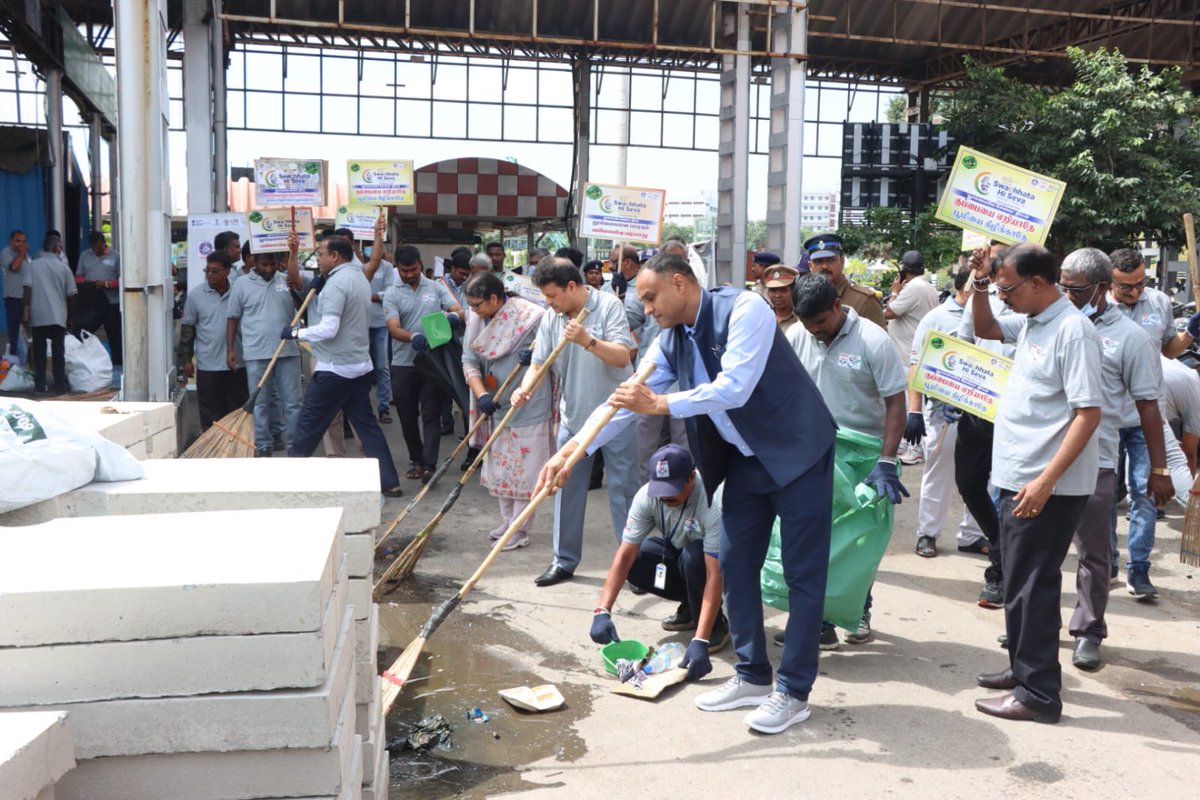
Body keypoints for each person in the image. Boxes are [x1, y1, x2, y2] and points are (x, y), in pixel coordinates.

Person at [537, 252, 837, 735]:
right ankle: (753, 676)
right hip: (744, 462)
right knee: (734, 565)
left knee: (804, 577)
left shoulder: (746, 310)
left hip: (798, 451)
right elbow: (626, 400)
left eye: (652, 297)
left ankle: (794, 691)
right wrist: (571, 451)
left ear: (680, 283)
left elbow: (734, 387)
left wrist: (662, 402)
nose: (648, 308)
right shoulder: (670, 339)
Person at [969, 242, 1102, 724]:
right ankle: (1022, 669)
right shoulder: (1031, 322)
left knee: (1033, 586)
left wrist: (1046, 481)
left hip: (1043, 486)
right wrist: (982, 283)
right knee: (1019, 582)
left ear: (1039, 283)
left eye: (1008, 288)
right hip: (1016, 477)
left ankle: (1039, 694)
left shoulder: (1072, 331)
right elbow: (982, 327)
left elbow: (1088, 414)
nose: (1003, 297)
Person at [1058, 248, 1172, 670]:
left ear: (1102, 289)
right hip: (1044, 459)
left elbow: (1148, 406)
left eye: (1076, 289)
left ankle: (1088, 631)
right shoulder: (1048, 322)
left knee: (1094, 553)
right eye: (1062, 287)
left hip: (1097, 457)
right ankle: (1033, 624)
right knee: (1042, 552)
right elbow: (988, 329)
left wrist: (1159, 469)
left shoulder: (1131, 337)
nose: (1066, 295)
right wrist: (980, 283)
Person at [787, 273, 908, 646]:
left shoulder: (873, 340)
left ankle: (858, 609)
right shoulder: (796, 337)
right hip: (813, 451)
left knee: (857, 540)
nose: (815, 332)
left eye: (821, 323)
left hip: (865, 454)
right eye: (808, 325)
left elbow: (895, 403)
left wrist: (886, 460)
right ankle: (820, 620)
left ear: (838, 307)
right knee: (814, 538)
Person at [510, 257, 639, 588]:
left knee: (624, 493)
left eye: (552, 296)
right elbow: (539, 362)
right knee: (565, 489)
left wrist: (587, 340)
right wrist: (523, 390)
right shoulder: (552, 318)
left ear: (572, 286)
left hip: (617, 413)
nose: (549, 303)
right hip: (574, 418)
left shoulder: (608, 305)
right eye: (545, 298)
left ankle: (634, 565)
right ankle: (563, 560)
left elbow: (624, 356)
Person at [588, 444, 730, 682]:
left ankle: (715, 625)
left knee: (694, 558)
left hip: (715, 560)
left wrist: (701, 640)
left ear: (691, 477)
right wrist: (602, 610)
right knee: (639, 558)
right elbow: (624, 555)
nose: (665, 497)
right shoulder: (647, 496)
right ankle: (689, 606)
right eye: (660, 489)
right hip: (679, 550)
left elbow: (714, 573)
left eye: (672, 489)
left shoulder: (710, 502)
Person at [283, 235, 403, 497]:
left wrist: (295, 334)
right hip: (359, 366)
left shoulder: (338, 284)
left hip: (335, 369)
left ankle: (287, 481)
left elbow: (329, 328)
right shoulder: (359, 276)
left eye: (322, 255)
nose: (319, 259)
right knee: (367, 427)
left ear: (335, 256)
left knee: (307, 426)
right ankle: (390, 482)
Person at [1106, 248, 1196, 596]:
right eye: (1127, 287)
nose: (1135, 292)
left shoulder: (1157, 302)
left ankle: (1139, 570)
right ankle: (1108, 562)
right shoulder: (1097, 308)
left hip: (1149, 415)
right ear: (1109, 281)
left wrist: (1190, 334)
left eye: (1141, 284)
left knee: (1146, 494)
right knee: (1105, 494)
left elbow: (1169, 349)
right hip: (1108, 415)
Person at [461, 271, 550, 550]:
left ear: (495, 298)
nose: (473, 311)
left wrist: (536, 356)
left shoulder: (531, 316)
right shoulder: (476, 318)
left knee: (525, 469)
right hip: (495, 403)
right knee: (501, 466)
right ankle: (507, 520)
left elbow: (553, 351)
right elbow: (469, 359)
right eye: (471, 306)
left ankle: (520, 529)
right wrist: (482, 394)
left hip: (529, 403)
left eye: (478, 305)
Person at [904, 266, 988, 560]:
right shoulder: (936, 318)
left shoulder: (995, 317)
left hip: (984, 412)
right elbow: (916, 364)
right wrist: (914, 410)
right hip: (943, 413)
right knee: (938, 472)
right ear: (966, 287)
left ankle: (973, 535)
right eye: (982, 285)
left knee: (982, 475)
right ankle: (927, 533)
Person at [955, 241, 1019, 608]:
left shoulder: (1028, 301)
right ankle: (1000, 544)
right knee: (969, 484)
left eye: (999, 258)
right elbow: (964, 341)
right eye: (990, 258)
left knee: (1011, 493)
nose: (992, 263)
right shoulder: (982, 295)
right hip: (977, 407)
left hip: (1016, 414)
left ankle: (999, 571)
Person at [382, 244, 464, 483]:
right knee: (407, 417)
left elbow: (459, 309)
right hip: (403, 364)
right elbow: (393, 328)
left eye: (414, 269)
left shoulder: (436, 287)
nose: (409, 274)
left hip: (432, 363)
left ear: (420, 265)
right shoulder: (391, 293)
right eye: (404, 270)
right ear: (397, 267)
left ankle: (429, 465)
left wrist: (453, 316)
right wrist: (412, 337)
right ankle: (415, 460)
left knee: (431, 414)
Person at [226, 248, 301, 457]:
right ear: (253, 262)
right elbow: (232, 318)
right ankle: (263, 444)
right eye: (263, 265)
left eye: (272, 264)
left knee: (293, 402)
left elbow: (303, 306)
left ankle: (296, 446)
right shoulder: (241, 284)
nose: (268, 269)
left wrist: (293, 287)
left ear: (279, 262)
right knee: (260, 402)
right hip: (256, 353)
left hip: (287, 351)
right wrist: (230, 349)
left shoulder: (287, 281)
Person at [177, 251, 247, 430]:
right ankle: (210, 450)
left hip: (236, 362)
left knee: (237, 409)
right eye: (207, 270)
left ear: (227, 271)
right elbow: (188, 329)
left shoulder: (239, 292)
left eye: (215, 271)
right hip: (208, 364)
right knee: (209, 411)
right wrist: (185, 360)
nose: (210, 275)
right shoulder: (196, 295)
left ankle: (235, 450)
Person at [20, 234, 76, 394]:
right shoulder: (64, 267)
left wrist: (25, 313)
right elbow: (71, 295)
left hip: (38, 316)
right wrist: (71, 318)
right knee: (59, 352)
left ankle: (40, 385)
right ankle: (59, 386)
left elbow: (27, 290)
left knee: (39, 352)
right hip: (59, 316)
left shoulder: (32, 265)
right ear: (56, 249)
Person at [803, 233, 887, 329]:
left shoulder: (864, 300)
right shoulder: (805, 299)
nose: (824, 266)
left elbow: (880, 341)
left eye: (830, 260)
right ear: (810, 266)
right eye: (818, 261)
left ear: (842, 262)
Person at [76, 232, 122, 366]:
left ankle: (117, 364)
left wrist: (106, 283)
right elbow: (78, 276)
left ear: (103, 243)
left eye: (99, 247)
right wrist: (86, 281)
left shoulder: (115, 256)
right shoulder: (85, 255)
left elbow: (123, 279)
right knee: (84, 332)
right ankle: (85, 362)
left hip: (112, 302)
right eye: (93, 248)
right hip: (92, 302)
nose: (96, 250)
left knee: (114, 335)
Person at [885, 250, 941, 360]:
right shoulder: (930, 288)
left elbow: (889, 313)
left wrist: (894, 292)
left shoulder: (913, 288)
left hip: (906, 354)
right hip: (921, 352)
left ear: (903, 270)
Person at [2, 229, 30, 355]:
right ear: (11, 241)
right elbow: (14, 267)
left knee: (25, 330)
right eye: (18, 241)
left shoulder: (26, 256)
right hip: (14, 297)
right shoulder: (6, 253)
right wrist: (23, 252)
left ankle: (26, 360)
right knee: (15, 332)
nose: (21, 244)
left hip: (26, 297)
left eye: (23, 241)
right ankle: (14, 361)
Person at [764, 265, 801, 331]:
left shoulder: (801, 319)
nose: (777, 295)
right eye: (773, 290)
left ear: (793, 291)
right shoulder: (762, 317)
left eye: (783, 290)